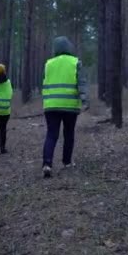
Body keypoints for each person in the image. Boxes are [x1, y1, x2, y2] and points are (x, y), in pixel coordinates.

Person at [41, 36, 89, 178]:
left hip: (51, 106)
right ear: (69, 48)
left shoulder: (48, 64)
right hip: (69, 106)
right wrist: (85, 100)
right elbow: (82, 82)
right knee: (69, 134)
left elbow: (44, 82)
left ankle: (47, 163)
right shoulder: (75, 62)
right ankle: (67, 162)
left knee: (51, 134)